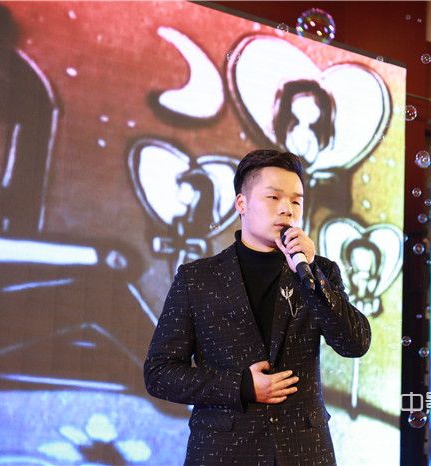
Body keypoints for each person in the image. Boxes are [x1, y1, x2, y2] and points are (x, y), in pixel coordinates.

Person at [144, 149, 371, 465]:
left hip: (303, 452)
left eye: (296, 201)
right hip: (223, 452)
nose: (287, 209)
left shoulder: (319, 272)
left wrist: (312, 274)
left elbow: (355, 343)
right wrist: (241, 387)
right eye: (273, 197)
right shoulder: (197, 278)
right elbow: (160, 373)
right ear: (242, 203)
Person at [272, 80, 335, 166]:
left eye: (311, 108)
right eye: (301, 107)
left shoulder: (311, 135)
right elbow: (289, 144)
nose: (305, 113)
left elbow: (312, 153)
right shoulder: (292, 130)